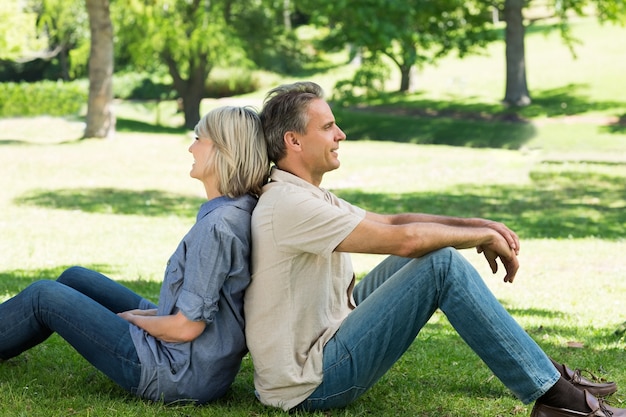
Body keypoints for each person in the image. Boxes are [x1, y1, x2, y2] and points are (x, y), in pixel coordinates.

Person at [243, 81, 622, 416]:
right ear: (293, 141)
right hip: (311, 383)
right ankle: (557, 396)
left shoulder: (303, 192)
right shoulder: (290, 205)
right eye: (327, 127)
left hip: (328, 333)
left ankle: (548, 373)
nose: (340, 134)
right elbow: (406, 240)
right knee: (440, 264)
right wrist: (481, 239)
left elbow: (394, 222)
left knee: (432, 255)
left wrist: (478, 225)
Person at [0, 106, 269, 404]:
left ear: (223, 151)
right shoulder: (237, 209)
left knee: (44, 296)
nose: (191, 148)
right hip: (201, 362)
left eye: (198, 139)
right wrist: (147, 315)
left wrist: (135, 321)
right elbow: (210, 308)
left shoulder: (218, 226)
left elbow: (185, 327)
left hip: (177, 373)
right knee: (75, 278)